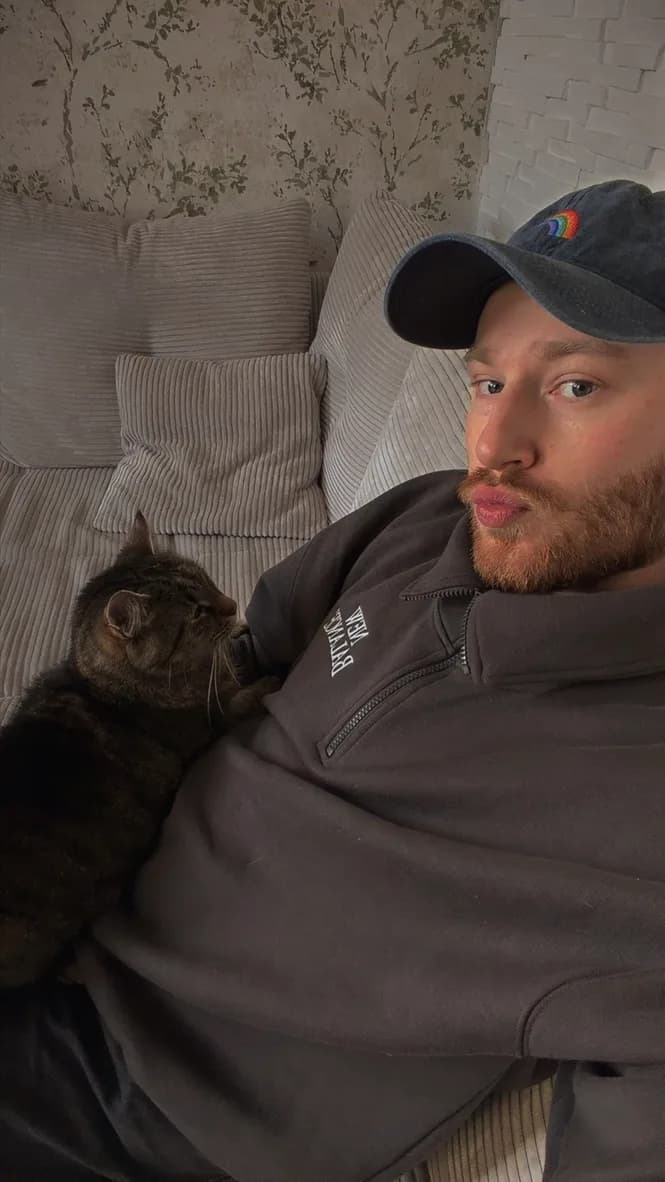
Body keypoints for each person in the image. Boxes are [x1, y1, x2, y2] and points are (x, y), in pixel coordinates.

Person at [3, 178, 665, 1181]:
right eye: (485, 383)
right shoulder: (428, 517)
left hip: (132, 1122)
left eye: (574, 386)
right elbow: (246, 650)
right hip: (61, 925)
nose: (492, 446)